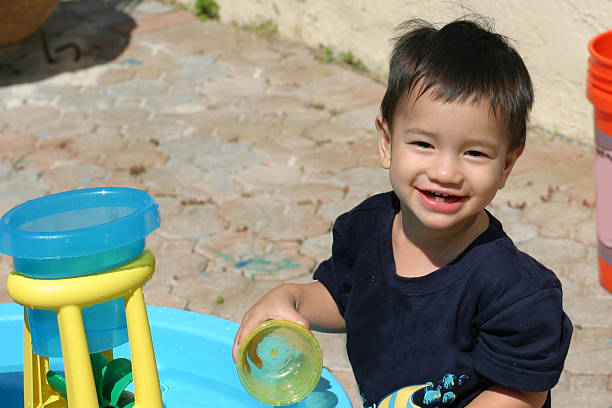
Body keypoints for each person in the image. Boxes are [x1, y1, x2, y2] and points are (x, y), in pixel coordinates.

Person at [232, 17, 572, 408]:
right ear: (387, 142)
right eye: (424, 144)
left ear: (507, 166)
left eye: (474, 153)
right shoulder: (364, 229)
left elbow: (520, 392)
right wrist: (289, 299)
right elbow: (344, 299)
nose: (445, 172)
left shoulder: (517, 292)